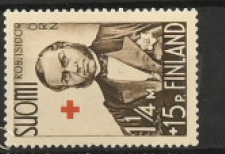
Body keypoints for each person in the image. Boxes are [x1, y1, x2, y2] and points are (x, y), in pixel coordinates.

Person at [32, 26, 164, 130]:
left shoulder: (115, 27)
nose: (74, 69)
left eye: (65, 60)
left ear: (67, 45)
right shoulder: (117, 107)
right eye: (66, 77)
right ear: (70, 86)